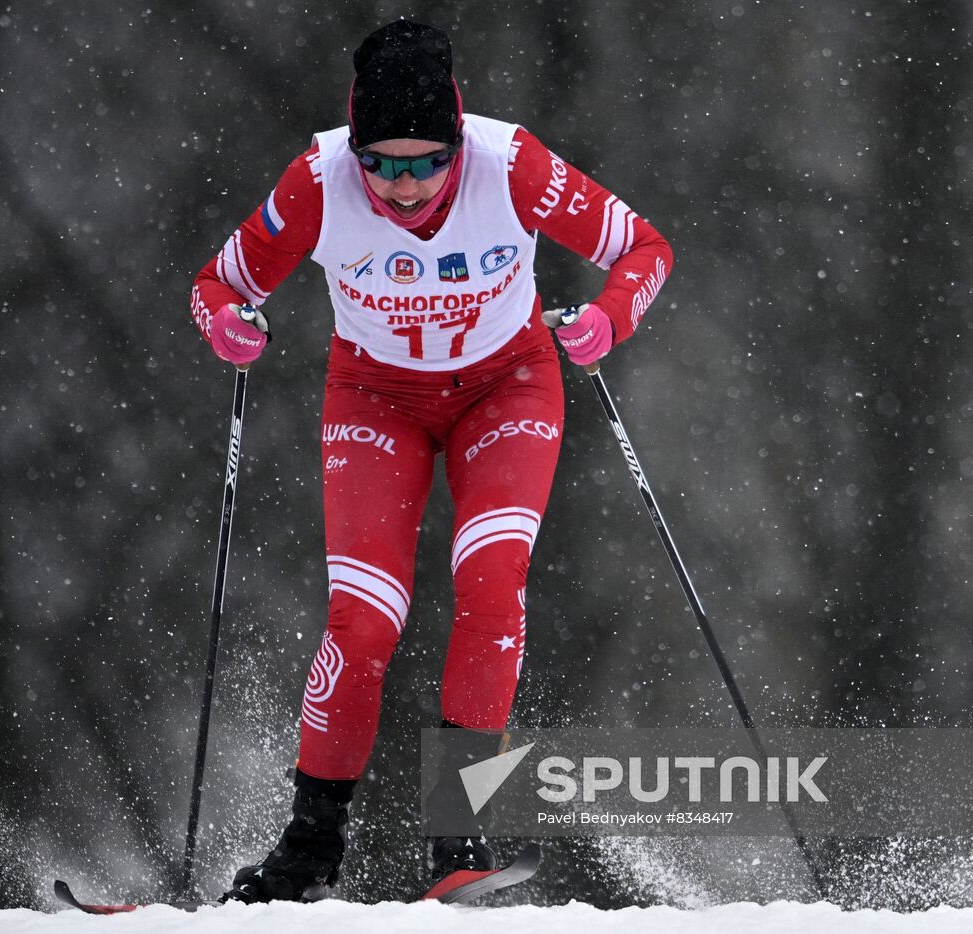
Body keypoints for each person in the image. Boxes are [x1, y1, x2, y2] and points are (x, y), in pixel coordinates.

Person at [189, 20, 673, 903]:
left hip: (508, 386)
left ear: (457, 140)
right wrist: (229, 327)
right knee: (363, 622)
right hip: (376, 398)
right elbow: (218, 284)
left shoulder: (511, 162)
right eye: (383, 163)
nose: (405, 187)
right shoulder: (315, 181)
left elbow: (644, 250)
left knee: (492, 584)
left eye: (426, 163)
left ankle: (457, 837)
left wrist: (607, 321)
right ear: (354, 148)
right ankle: (308, 850)